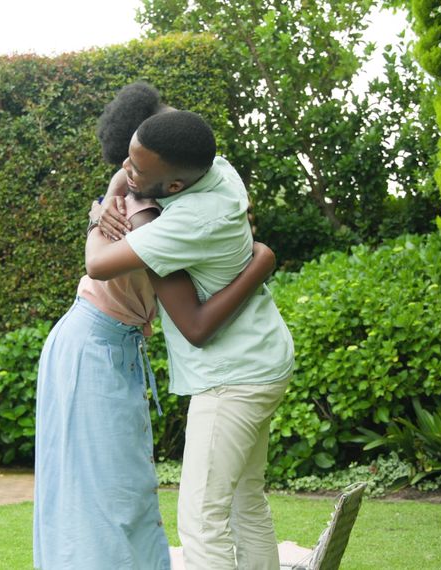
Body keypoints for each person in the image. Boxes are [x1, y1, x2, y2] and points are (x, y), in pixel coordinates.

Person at [33, 84, 278, 570]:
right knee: (98, 495)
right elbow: (100, 266)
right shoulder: (150, 215)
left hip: (116, 347)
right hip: (91, 344)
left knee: (127, 490)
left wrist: (109, 196)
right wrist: (102, 207)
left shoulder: (188, 192)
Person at [87, 110, 295, 570]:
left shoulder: (185, 225)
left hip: (231, 378)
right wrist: (119, 189)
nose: (125, 169)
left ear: (175, 187)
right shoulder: (217, 169)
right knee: (246, 499)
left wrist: (95, 217)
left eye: (137, 169)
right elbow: (134, 173)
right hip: (262, 359)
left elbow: (98, 266)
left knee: (202, 521)